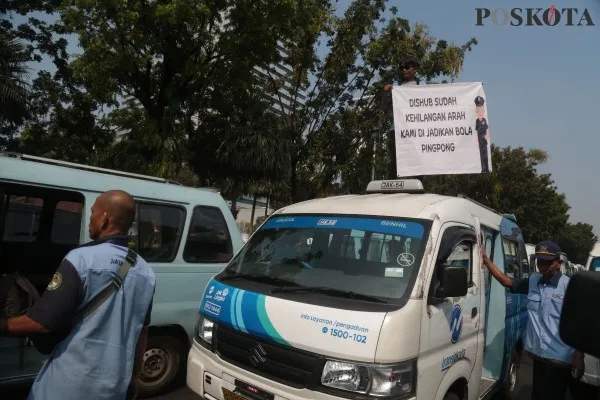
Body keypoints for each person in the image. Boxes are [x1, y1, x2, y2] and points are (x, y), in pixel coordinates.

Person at [0, 190, 156, 400]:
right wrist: (134, 377)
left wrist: (4, 324)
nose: (89, 218)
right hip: (113, 388)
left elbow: (41, 323)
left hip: (68, 385)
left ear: (104, 219)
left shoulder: (81, 259)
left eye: (92, 212)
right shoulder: (146, 272)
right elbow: (141, 334)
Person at [481, 240, 584, 400]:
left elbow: (578, 323)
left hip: (560, 359)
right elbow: (506, 281)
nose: (543, 266)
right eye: (540, 262)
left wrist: (579, 356)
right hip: (538, 355)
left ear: (558, 263)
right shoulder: (533, 282)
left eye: (548, 262)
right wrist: (486, 260)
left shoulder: (569, 287)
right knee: (537, 395)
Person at [474, 95, 490, 173]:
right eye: (478, 108)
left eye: (481, 108)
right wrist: (482, 128)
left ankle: (486, 168)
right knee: (481, 154)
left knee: (485, 155)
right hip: (480, 139)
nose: (479, 110)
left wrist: (482, 129)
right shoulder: (477, 120)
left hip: (484, 139)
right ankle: (483, 168)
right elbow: (477, 128)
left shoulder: (484, 120)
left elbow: (486, 127)